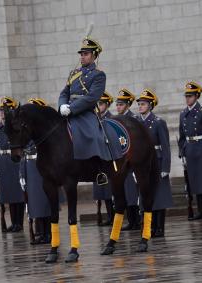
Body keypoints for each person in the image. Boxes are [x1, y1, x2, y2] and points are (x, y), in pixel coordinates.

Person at [58, 36, 122, 185]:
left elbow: (92, 98)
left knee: (95, 137)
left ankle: (99, 171)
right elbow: (64, 93)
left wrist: (72, 108)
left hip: (86, 112)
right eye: (81, 54)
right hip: (67, 110)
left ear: (94, 56)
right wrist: (62, 105)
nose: (82, 56)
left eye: (86, 54)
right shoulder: (74, 74)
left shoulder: (99, 75)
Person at [178, 82, 202, 220]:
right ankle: (200, 211)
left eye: (190, 96)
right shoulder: (183, 114)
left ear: (196, 96)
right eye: (186, 96)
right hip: (190, 149)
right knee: (195, 182)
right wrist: (181, 153)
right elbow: (182, 137)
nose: (187, 99)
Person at [137, 89, 173, 237]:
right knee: (146, 196)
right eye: (139, 104)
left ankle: (159, 227)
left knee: (159, 197)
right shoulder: (136, 122)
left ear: (150, 105)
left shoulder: (158, 123)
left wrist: (166, 167)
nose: (140, 106)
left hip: (157, 161)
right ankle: (149, 227)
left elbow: (165, 146)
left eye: (143, 104)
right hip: (142, 164)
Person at [19, 98, 52, 244]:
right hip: (30, 167)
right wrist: (22, 172)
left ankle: (49, 233)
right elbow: (22, 152)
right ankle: (40, 232)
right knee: (35, 203)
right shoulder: (28, 129)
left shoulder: (46, 130)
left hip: (43, 166)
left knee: (46, 202)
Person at [0, 96, 25, 232]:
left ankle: (19, 223)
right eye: (1, 110)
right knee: (9, 195)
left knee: (18, 194)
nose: (2, 113)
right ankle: (13, 222)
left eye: (4, 110)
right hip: (3, 162)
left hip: (15, 160)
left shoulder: (16, 126)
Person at [116, 88, 140, 231]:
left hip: (132, 160)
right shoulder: (116, 120)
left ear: (128, 105)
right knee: (126, 191)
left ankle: (136, 220)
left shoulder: (134, 119)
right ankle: (131, 221)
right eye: (117, 104)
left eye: (121, 104)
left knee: (133, 192)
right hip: (121, 160)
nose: (118, 107)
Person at [93, 91, 115, 226]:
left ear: (107, 105)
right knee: (103, 190)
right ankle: (109, 216)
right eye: (97, 104)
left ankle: (113, 216)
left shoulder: (111, 119)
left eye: (100, 104)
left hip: (109, 157)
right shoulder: (95, 119)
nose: (98, 106)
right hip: (99, 158)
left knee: (110, 190)